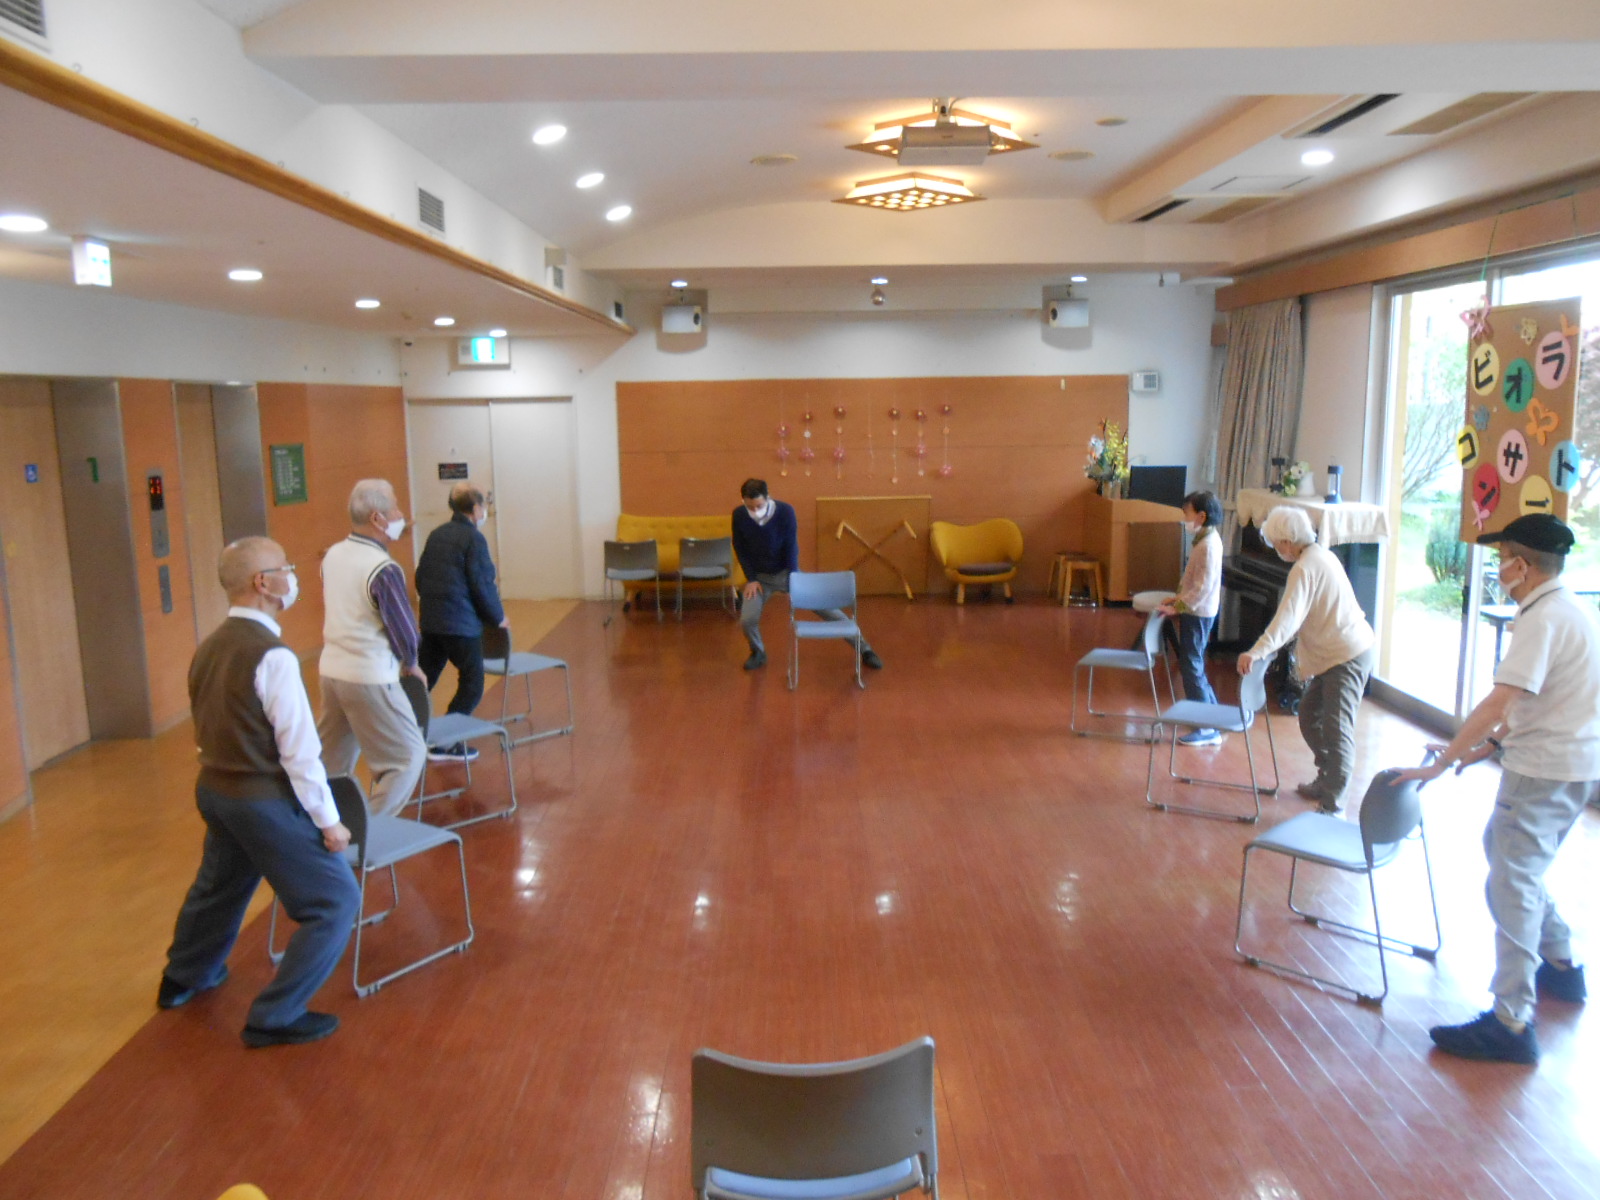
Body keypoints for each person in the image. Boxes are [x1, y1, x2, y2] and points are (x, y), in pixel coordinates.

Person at [1393, 513, 1594, 1065]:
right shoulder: (1573, 608)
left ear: (1523, 566)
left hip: (1543, 769)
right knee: (1513, 861)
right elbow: (1544, 697)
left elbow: (1499, 699)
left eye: (1503, 558)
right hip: (1573, 766)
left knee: (1511, 882)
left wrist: (1443, 761)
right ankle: (1562, 965)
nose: (1499, 567)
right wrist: (1492, 745)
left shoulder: (1542, 619)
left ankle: (1511, 1021)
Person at [157, 536, 359, 1049]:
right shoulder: (273, 657)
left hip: (216, 790)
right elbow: (300, 753)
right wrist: (329, 822)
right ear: (263, 583)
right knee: (335, 900)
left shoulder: (209, 647)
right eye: (286, 567)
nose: (293, 576)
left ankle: (183, 976)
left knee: (220, 886)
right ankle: (276, 1015)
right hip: (260, 801)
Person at [1237, 505, 1375, 813]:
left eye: (1276, 543)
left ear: (1287, 541)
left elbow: (1287, 620)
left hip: (1347, 654)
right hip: (1335, 654)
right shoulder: (1321, 556)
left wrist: (1257, 650)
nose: (1276, 550)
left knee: (1337, 729)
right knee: (1310, 716)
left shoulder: (1306, 567)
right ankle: (1327, 777)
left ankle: (1333, 803)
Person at [318, 479, 429, 815]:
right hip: (369, 676)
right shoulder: (383, 568)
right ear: (378, 519)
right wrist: (412, 663)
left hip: (330, 672)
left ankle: (321, 828)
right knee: (407, 757)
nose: (401, 514)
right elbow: (404, 629)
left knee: (330, 765)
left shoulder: (333, 555)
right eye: (395, 508)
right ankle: (371, 831)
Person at [731, 477, 883, 672]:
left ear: (768, 498)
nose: (754, 510)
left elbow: (791, 546)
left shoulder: (785, 511)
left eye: (758, 506)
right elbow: (740, 548)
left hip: (787, 574)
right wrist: (751, 579)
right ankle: (757, 652)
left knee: (828, 610)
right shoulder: (739, 515)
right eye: (749, 507)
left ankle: (865, 650)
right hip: (759, 579)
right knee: (747, 620)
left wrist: (795, 580)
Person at [416, 481, 508, 759]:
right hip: (460, 624)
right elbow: (482, 584)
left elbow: (421, 577)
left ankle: (407, 737)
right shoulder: (474, 539)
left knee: (422, 680)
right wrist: (498, 618)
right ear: (476, 508)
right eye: (484, 506)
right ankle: (445, 742)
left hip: (431, 622)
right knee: (472, 683)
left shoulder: (436, 534)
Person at [1158, 490, 1224, 746]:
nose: (1184, 518)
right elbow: (1193, 581)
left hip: (1198, 613)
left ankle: (1206, 728)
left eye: (1187, 513)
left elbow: (1202, 587)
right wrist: (1177, 598)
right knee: (1193, 664)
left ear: (1201, 516)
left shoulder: (1208, 545)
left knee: (1192, 667)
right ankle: (1214, 717)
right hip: (1196, 610)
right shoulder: (1204, 540)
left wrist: (1179, 606)